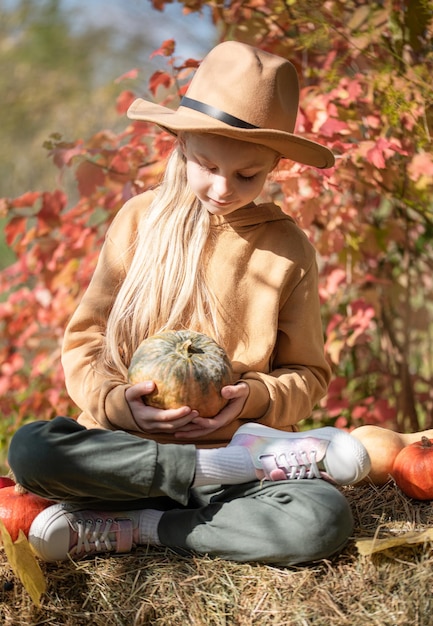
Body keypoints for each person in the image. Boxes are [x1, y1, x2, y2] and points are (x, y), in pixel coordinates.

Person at [7, 41, 370, 565]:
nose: (223, 188)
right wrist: (116, 403)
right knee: (32, 451)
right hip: (129, 456)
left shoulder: (286, 248)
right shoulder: (140, 219)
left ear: (274, 166)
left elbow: (307, 374)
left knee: (321, 521)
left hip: (236, 458)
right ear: (180, 146)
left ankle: (148, 528)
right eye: (207, 165)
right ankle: (199, 485)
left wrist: (250, 399)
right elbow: (85, 341)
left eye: (248, 175)